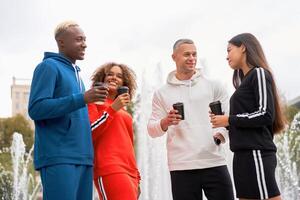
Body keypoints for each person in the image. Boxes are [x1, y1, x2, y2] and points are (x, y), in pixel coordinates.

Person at [28, 21, 108, 200]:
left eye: (85, 40)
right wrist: (82, 98)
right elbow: (36, 108)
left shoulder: (78, 75)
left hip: (83, 157)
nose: (85, 44)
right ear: (61, 42)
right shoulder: (48, 67)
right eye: (79, 39)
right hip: (59, 156)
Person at [147, 39, 234, 200]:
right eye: (186, 54)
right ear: (174, 57)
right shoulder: (162, 93)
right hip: (181, 166)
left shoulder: (214, 85)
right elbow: (151, 130)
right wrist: (165, 122)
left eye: (194, 54)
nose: (192, 58)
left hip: (213, 161)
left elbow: (229, 116)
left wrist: (220, 136)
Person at [210, 33, 286, 200]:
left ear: (243, 47)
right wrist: (225, 123)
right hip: (242, 156)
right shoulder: (242, 83)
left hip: (256, 153)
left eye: (229, 50)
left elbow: (265, 114)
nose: (226, 56)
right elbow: (247, 120)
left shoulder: (258, 74)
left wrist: (229, 119)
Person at [88, 62, 141, 200]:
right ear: (102, 79)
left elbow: (129, 145)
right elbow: (90, 131)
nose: (114, 78)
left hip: (130, 173)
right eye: (110, 74)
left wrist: (137, 176)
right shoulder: (94, 103)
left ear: (124, 83)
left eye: (119, 76)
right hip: (109, 167)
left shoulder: (125, 112)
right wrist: (112, 109)